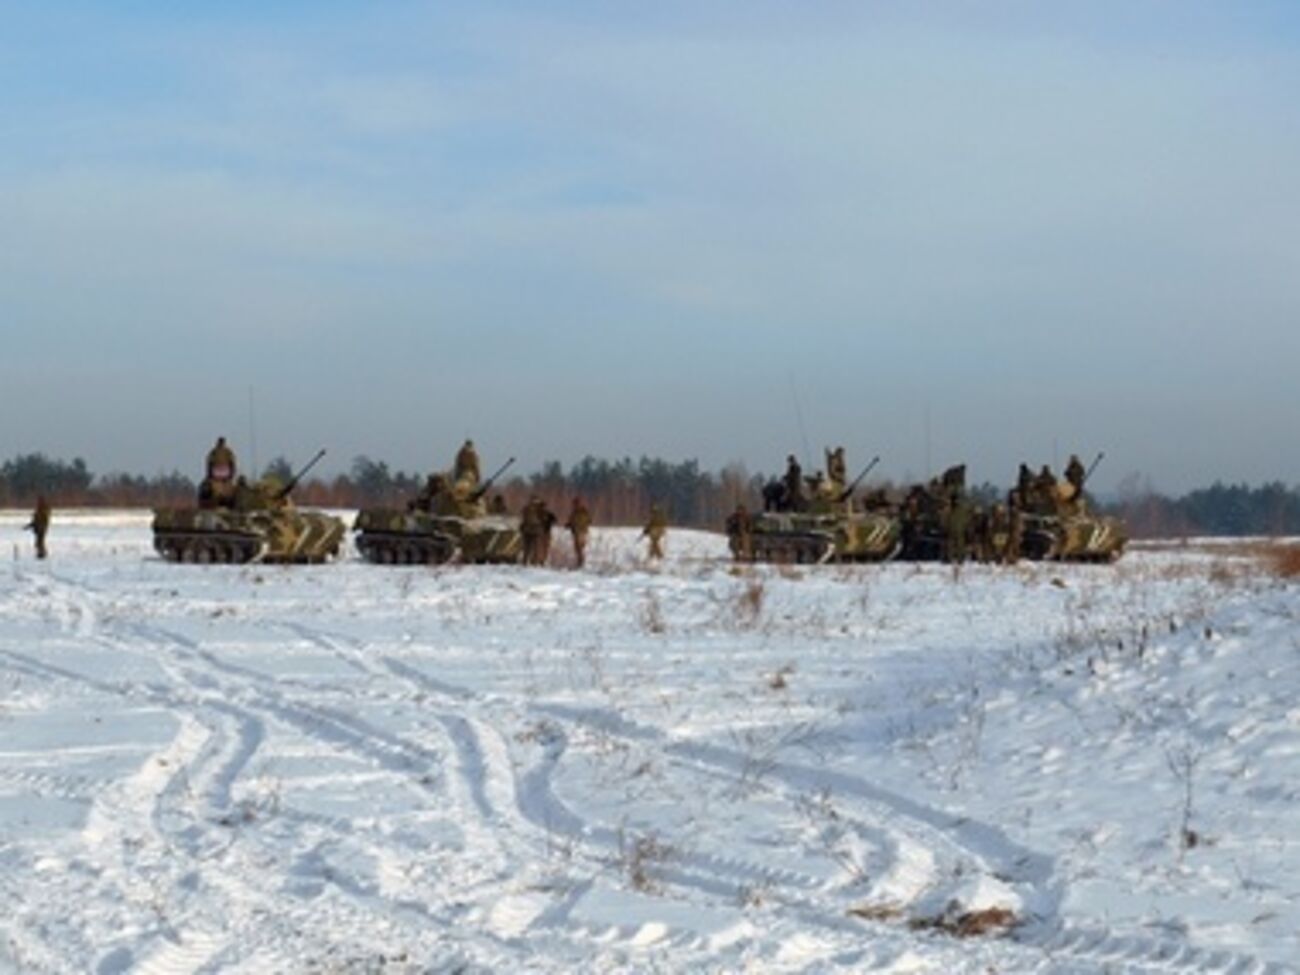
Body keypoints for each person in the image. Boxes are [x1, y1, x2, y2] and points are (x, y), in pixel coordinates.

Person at [204, 437, 238, 506]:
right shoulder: (228, 452)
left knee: (217, 489)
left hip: (216, 473)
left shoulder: (213, 452)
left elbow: (209, 463)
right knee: (226, 489)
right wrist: (232, 473)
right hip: (225, 472)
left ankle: (219, 500)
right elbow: (232, 462)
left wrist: (209, 474)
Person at [565, 496, 593, 568]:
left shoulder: (579, 512)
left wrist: (571, 525)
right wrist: (569, 525)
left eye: (574, 504)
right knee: (579, 548)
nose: (573, 505)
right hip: (579, 532)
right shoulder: (582, 512)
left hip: (579, 532)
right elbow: (589, 521)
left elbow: (585, 521)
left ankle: (580, 563)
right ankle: (580, 562)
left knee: (579, 548)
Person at [26, 495, 51, 559]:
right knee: (38, 542)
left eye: (39, 501)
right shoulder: (39, 509)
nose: (37, 502)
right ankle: (41, 553)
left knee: (39, 542)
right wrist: (29, 526)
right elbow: (35, 520)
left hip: (41, 528)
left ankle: (42, 554)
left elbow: (43, 520)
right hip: (38, 528)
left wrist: (39, 526)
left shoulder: (44, 509)